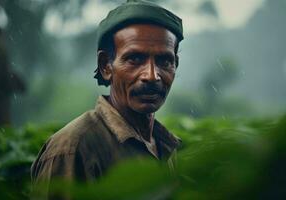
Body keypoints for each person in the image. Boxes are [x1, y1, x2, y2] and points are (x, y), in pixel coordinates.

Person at [31, 0, 184, 195]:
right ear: (106, 66)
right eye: (135, 59)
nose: (152, 75)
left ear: (175, 65)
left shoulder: (166, 146)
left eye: (165, 61)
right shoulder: (72, 149)